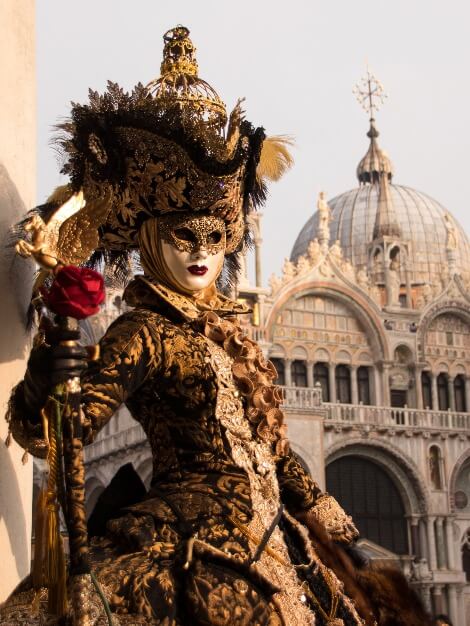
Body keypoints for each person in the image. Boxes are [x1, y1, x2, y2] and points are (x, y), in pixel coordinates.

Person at [1, 26, 431, 626]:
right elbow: (53, 436)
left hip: (274, 543)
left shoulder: (231, 334)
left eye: (214, 238)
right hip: (190, 539)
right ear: (152, 239)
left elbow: (270, 451)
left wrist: (329, 521)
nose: (202, 253)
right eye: (184, 236)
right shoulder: (143, 331)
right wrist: (50, 377)